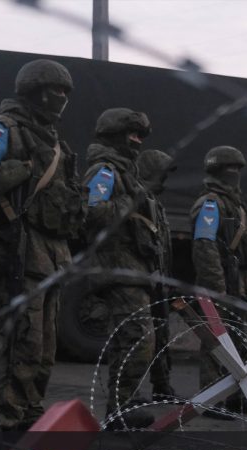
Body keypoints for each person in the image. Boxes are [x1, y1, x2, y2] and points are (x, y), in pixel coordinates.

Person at [0, 58, 85, 434]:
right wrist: (21, 171)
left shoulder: (56, 143)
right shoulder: (3, 129)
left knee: (45, 348)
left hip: (52, 254)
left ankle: (30, 412)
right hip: (20, 247)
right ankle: (10, 420)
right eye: (57, 90)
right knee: (24, 342)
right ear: (36, 89)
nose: (62, 98)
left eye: (67, 92)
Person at [84, 108, 157, 429]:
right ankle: (120, 406)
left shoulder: (128, 173)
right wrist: (131, 200)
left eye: (141, 135)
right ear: (114, 134)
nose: (138, 141)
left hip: (134, 267)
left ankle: (124, 400)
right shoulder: (105, 170)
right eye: (132, 134)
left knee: (132, 337)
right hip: (117, 267)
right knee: (136, 337)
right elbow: (92, 213)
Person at [190, 146, 247, 410]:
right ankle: (213, 398)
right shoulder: (211, 203)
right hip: (221, 283)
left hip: (237, 284)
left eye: (237, 169)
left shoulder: (237, 204)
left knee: (237, 342)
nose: (234, 174)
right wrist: (215, 287)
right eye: (229, 169)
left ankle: (232, 395)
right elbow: (205, 246)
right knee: (216, 344)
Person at [136, 148, 176, 400]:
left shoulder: (153, 202)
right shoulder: (138, 198)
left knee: (161, 333)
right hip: (142, 275)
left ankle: (162, 386)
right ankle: (131, 393)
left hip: (158, 276)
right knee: (139, 338)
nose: (165, 179)